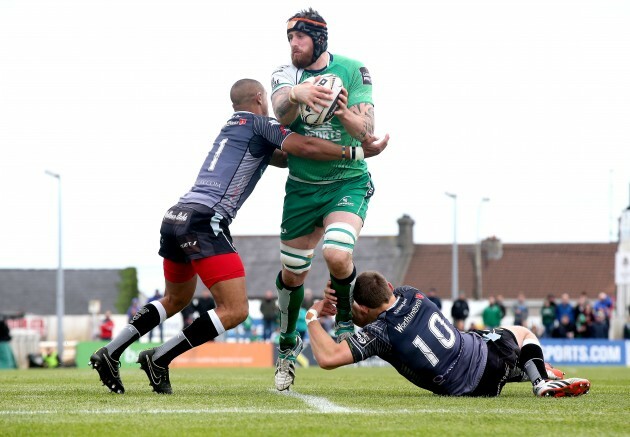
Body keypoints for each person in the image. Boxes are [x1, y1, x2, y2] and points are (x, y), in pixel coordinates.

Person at [89, 78, 389, 394]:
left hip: (176, 216)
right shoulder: (261, 124)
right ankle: (160, 357)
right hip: (206, 221)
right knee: (235, 310)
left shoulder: (233, 127)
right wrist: (354, 152)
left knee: (175, 298)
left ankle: (111, 351)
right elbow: (304, 147)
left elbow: (288, 157)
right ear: (260, 98)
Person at [270, 7, 382, 391]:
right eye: (289, 38)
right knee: (292, 274)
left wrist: (342, 112)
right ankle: (287, 348)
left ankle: (346, 319)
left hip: (346, 182)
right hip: (302, 188)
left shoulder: (354, 69)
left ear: (317, 38)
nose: (293, 45)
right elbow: (279, 109)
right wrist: (298, 93)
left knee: (336, 253)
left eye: (299, 37)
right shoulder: (286, 75)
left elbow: (366, 129)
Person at [306, 271, 590, 398]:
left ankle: (533, 373)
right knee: (523, 333)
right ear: (390, 286)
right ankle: (537, 376)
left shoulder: (380, 332)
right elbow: (373, 309)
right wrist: (345, 305)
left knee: (499, 353)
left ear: (364, 308)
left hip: (476, 388)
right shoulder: (411, 292)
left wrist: (313, 315)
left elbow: (328, 358)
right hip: (490, 352)